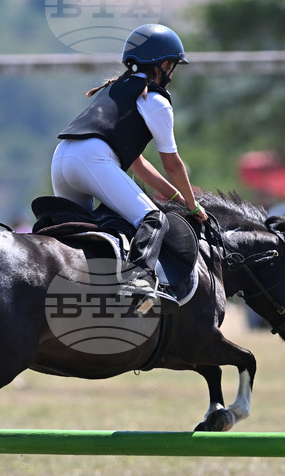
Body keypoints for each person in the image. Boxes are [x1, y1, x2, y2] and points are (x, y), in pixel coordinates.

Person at [53, 23, 207, 315]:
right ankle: (138, 285)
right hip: (92, 160)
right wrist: (192, 204)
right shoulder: (155, 99)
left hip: (62, 158)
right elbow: (172, 164)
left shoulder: (115, 89)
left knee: (74, 231)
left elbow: (138, 164)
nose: (172, 73)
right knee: (154, 219)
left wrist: (173, 197)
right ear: (162, 64)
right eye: (172, 66)